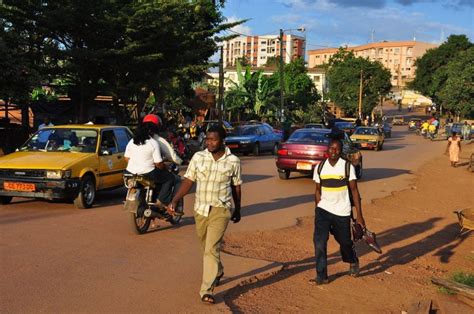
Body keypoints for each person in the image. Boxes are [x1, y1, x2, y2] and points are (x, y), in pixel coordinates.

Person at [168, 125, 242, 304]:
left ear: (222, 140)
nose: (209, 142)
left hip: (221, 209)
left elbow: (236, 185)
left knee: (210, 248)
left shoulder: (233, 161)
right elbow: (188, 180)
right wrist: (175, 199)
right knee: (205, 246)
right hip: (200, 209)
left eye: (213, 139)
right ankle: (218, 269)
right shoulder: (198, 157)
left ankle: (206, 290)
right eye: (207, 139)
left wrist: (237, 208)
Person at [311, 138, 365, 285]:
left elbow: (354, 191)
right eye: (331, 148)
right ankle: (321, 276)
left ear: (341, 151)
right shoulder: (320, 167)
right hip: (323, 210)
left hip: (342, 211)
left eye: (337, 149)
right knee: (319, 242)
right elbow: (317, 190)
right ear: (327, 149)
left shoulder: (347, 167)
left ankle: (352, 260)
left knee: (345, 242)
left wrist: (359, 216)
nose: (334, 151)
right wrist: (318, 208)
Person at [124, 123, 176, 210]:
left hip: (130, 173)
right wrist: (165, 167)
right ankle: (161, 201)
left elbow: (126, 158)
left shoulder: (131, 142)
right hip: (148, 173)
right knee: (169, 178)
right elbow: (158, 163)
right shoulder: (153, 143)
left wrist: (137, 164)